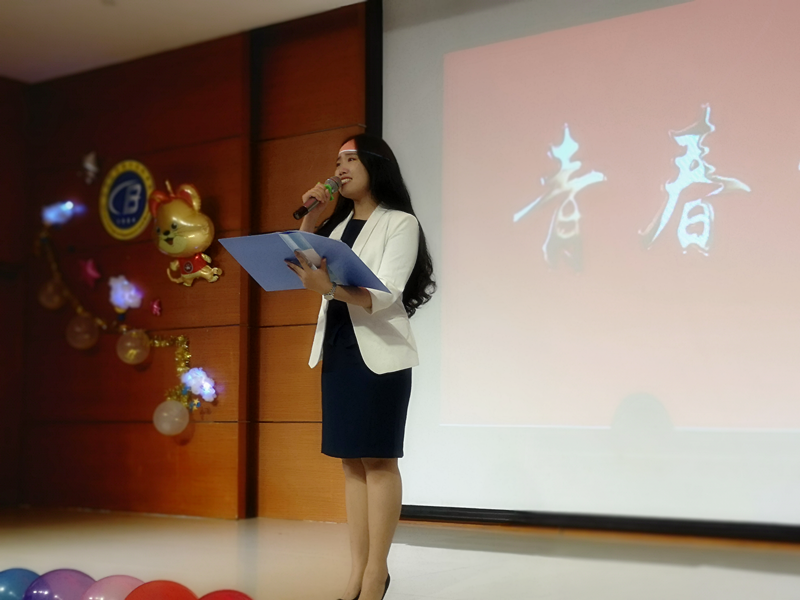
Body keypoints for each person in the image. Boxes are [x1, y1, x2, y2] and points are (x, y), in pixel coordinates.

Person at [286, 134, 435, 600]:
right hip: (339, 347)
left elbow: (387, 293)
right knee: (351, 461)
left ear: (375, 165)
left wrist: (330, 289)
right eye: (337, 161)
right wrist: (311, 216)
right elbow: (307, 265)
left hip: (380, 354)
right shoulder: (335, 229)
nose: (340, 168)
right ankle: (356, 572)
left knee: (379, 459)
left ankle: (375, 574)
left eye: (351, 159)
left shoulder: (400, 222)